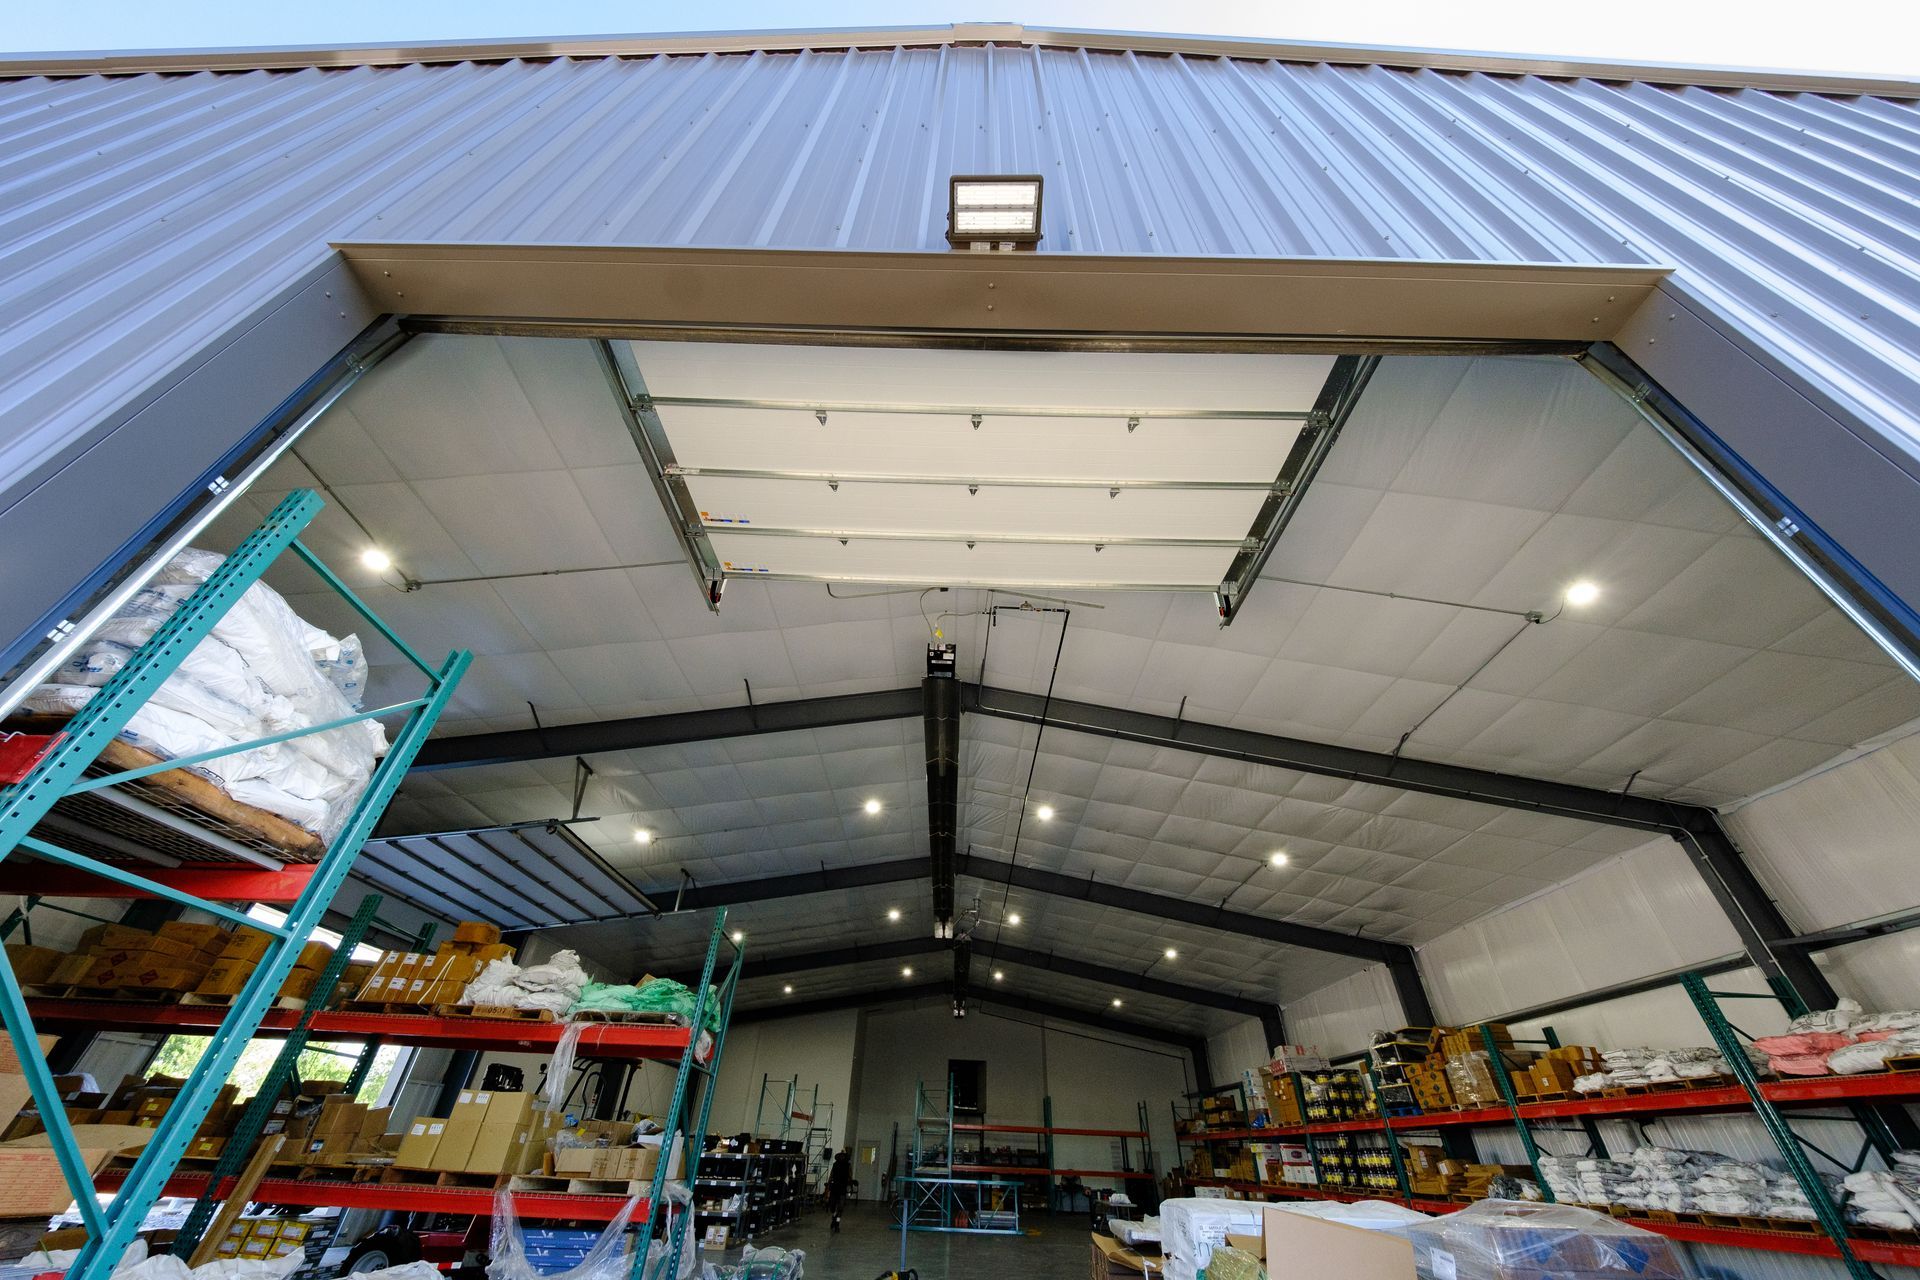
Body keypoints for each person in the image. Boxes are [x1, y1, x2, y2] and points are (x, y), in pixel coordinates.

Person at [826, 1148, 853, 1233]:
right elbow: (831, 1174)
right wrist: (829, 1185)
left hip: (842, 1188)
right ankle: (834, 1218)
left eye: (843, 1156)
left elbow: (850, 1175)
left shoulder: (848, 1165)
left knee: (840, 1207)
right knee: (833, 1207)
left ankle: (837, 1223)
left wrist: (850, 1186)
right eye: (841, 1156)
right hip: (834, 1187)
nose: (842, 1157)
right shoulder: (835, 1164)